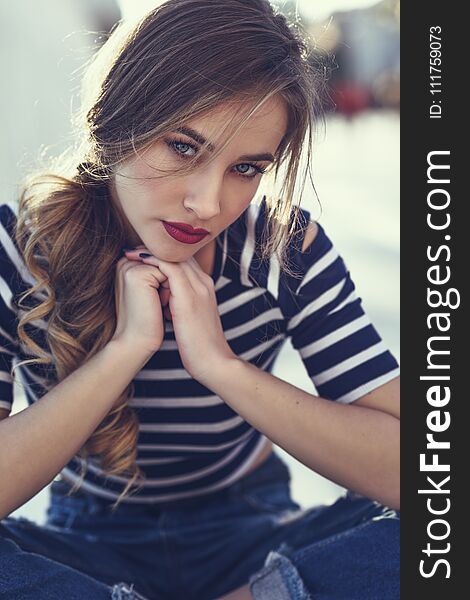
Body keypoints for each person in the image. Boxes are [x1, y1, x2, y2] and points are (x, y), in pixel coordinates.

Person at [0, 1, 400, 598]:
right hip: (86, 547)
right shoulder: (21, 250)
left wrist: (219, 365)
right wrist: (123, 352)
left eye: (245, 167)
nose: (209, 204)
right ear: (115, 118)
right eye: (184, 147)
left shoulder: (280, 248)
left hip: (254, 538)